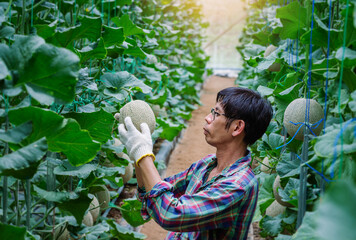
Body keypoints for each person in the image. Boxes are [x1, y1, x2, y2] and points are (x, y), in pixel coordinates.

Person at [118, 87, 273, 240]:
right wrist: (137, 151)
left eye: (216, 113)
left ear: (237, 127)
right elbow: (150, 192)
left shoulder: (239, 185)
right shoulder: (206, 165)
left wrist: (143, 152)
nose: (207, 117)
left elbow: (170, 214)